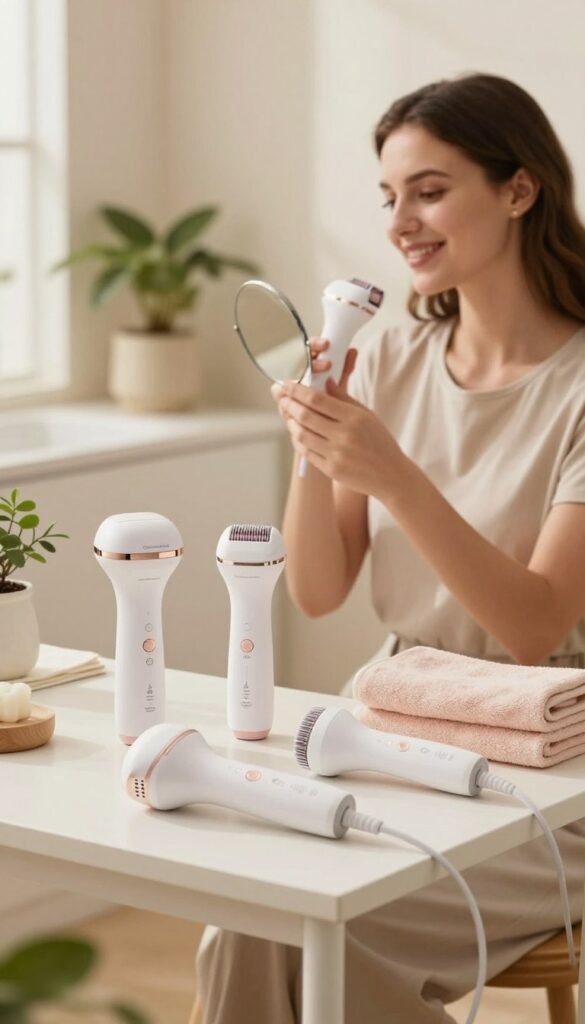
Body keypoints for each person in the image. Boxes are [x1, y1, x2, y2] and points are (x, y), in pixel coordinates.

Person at [192, 73, 585, 1024]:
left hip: (557, 756)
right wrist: (315, 449)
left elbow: (533, 626)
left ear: (518, 190)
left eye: (429, 189)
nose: (400, 220)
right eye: (388, 197)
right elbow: (319, 591)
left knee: (337, 936)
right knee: (250, 919)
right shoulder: (400, 356)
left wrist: (393, 472)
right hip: (396, 721)